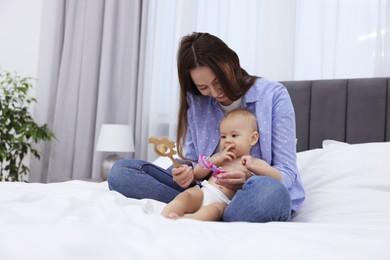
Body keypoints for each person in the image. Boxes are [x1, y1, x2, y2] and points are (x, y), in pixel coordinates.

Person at [108, 32, 305, 222]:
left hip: (254, 192)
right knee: (121, 172)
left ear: (231, 63)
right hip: (207, 189)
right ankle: (215, 214)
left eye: (218, 82)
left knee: (271, 193)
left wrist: (248, 178)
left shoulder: (273, 95)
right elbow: (194, 161)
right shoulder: (196, 101)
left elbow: (286, 172)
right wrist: (186, 173)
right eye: (203, 88)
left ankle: (219, 213)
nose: (214, 93)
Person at [162, 109, 279, 221]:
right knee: (186, 196)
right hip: (204, 191)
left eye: (234, 135)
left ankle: (187, 220)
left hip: (222, 201)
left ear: (252, 139)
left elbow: (277, 177)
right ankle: (166, 215)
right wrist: (213, 160)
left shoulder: (254, 162)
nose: (227, 140)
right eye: (223, 136)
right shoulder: (220, 158)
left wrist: (253, 167)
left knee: (213, 212)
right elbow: (196, 174)